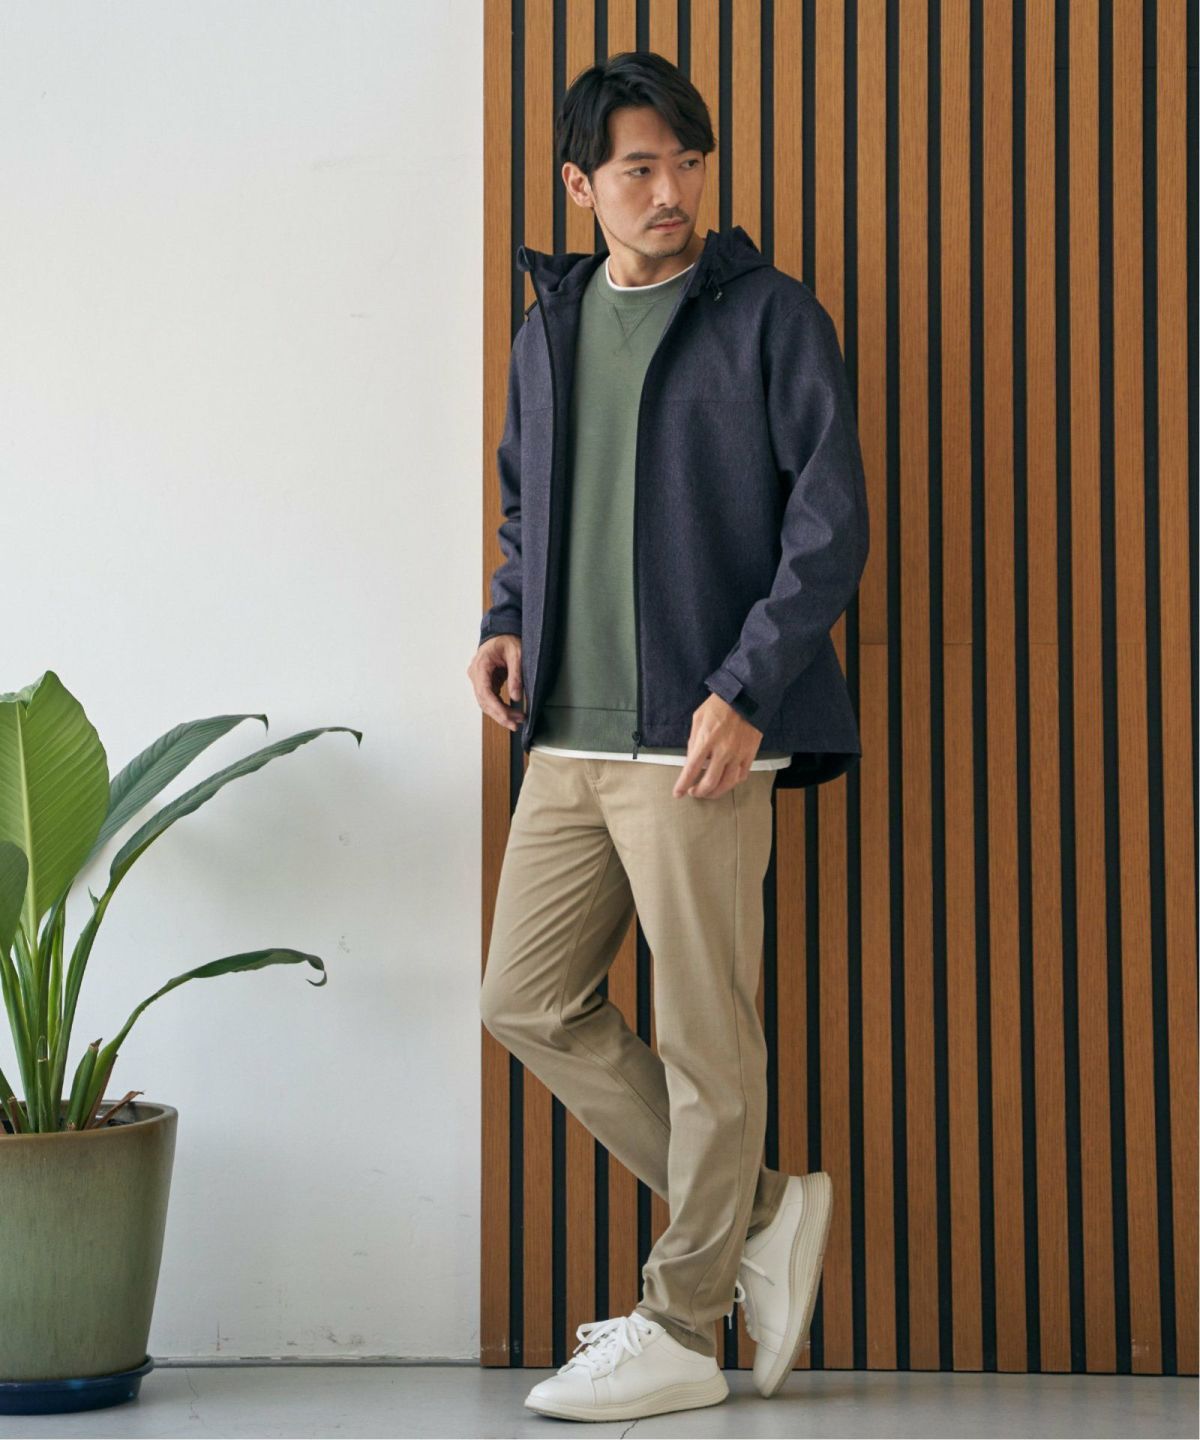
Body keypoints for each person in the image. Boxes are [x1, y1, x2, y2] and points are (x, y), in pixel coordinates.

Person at [469, 50, 869, 1424]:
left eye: (686, 163)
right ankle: (759, 1212)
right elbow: (527, 503)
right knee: (524, 1000)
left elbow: (829, 524)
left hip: (702, 734)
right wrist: (505, 618)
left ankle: (684, 1324)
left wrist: (748, 688)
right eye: (638, 168)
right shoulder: (551, 328)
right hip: (566, 734)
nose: (671, 191)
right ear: (580, 185)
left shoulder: (767, 315)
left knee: (709, 1042)